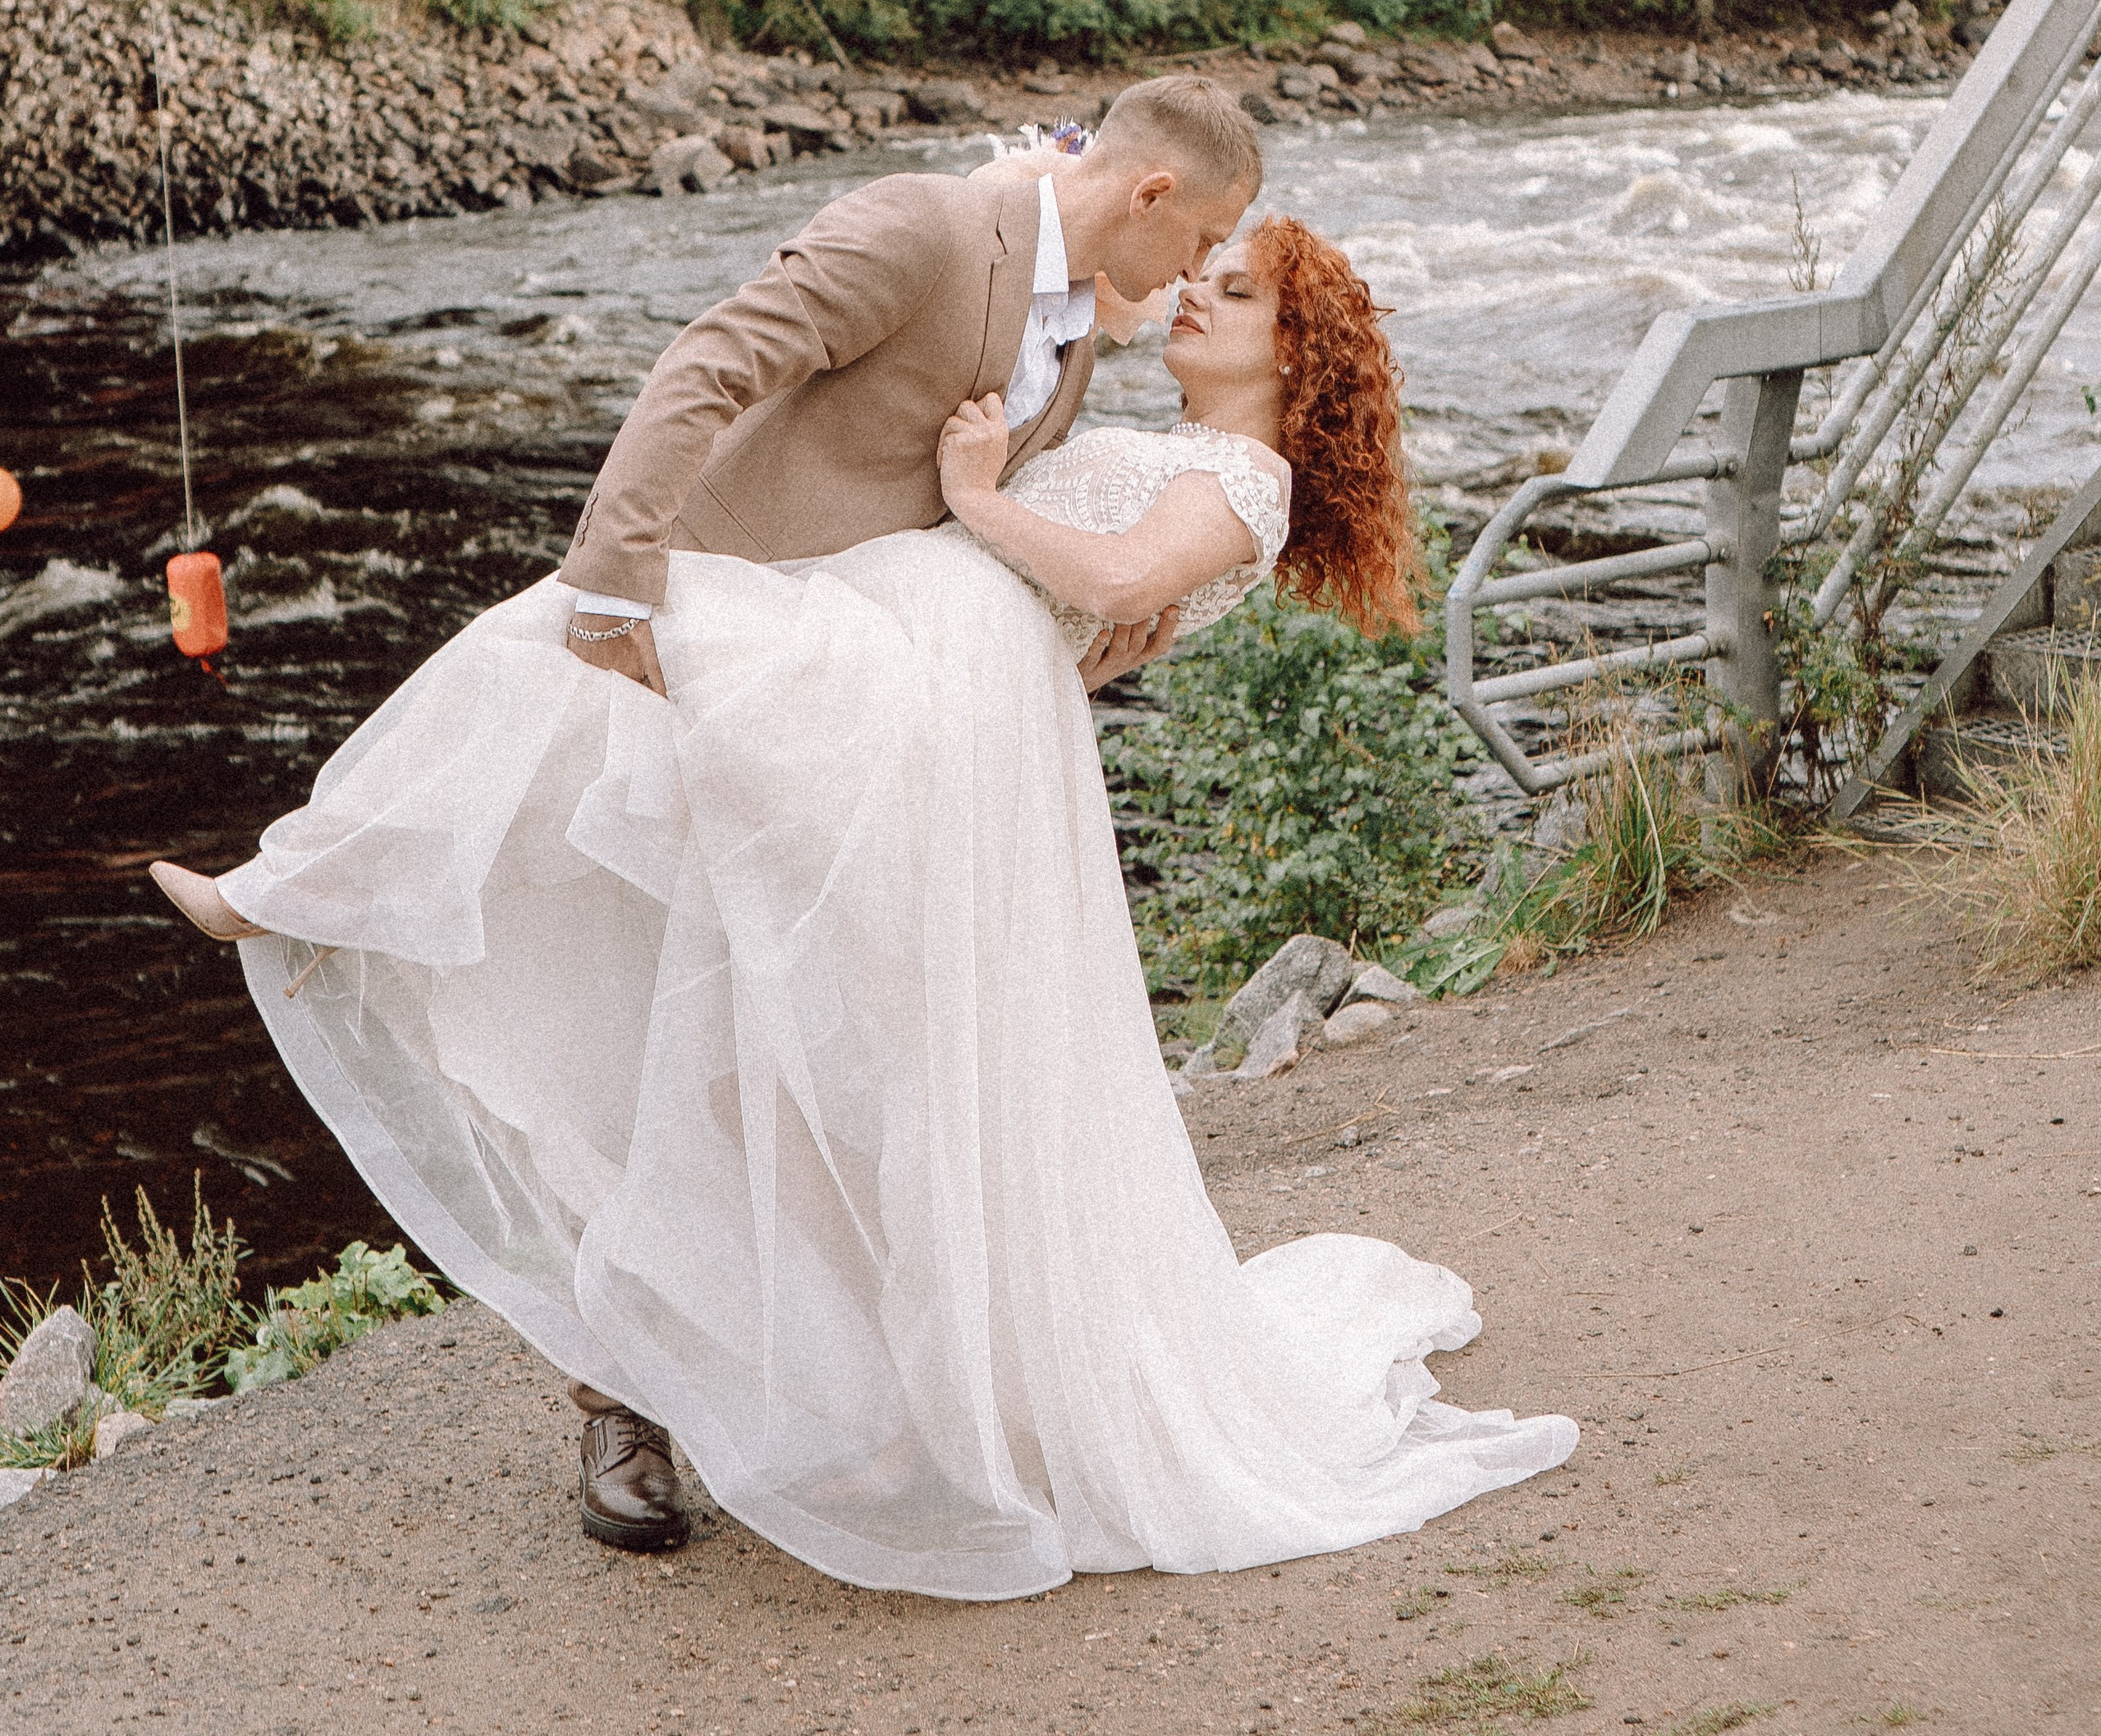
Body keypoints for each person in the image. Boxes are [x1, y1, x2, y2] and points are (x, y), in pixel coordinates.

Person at [154, 133, 1576, 1597]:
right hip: (910, 692)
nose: (1191, 300)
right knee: (646, 804)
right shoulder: (1051, 298)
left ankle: (328, 892)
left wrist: (976, 496)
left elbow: (1109, 583)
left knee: (822, 1040)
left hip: (925, 709)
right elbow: (1069, 243)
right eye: (1199, 266)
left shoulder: (1238, 474)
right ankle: (335, 896)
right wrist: (1058, 208)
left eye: (1235, 291)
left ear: (1297, 353)